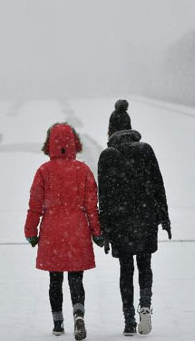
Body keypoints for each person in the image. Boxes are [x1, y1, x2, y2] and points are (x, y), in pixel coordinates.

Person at [25, 123, 104, 340]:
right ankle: (78, 314)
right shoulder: (83, 170)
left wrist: (31, 231)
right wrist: (97, 232)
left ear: (49, 143)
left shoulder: (43, 171)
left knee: (55, 279)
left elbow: (35, 205)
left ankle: (58, 323)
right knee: (76, 278)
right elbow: (91, 205)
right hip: (77, 229)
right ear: (74, 143)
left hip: (52, 232)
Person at [97, 99, 171, 336]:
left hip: (121, 222)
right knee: (145, 265)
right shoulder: (146, 150)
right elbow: (159, 185)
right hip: (146, 217)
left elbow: (104, 197)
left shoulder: (107, 155)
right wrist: (164, 217)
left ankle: (129, 319)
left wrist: (106, 229)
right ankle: (146, 306)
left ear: (111, 130)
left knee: (125, 269)